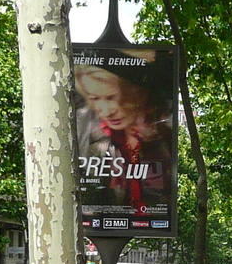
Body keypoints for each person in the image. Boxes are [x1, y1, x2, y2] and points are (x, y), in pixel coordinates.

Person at [74, 58, 173, 214]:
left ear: (134, 93)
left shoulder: (160, 130)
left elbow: (162, 198)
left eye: (112, 97)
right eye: (94, 98)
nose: (106, 112)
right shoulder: (85, 133)